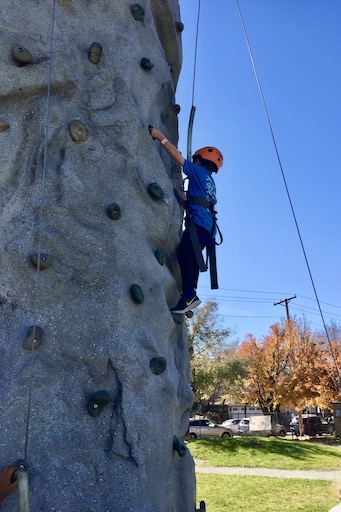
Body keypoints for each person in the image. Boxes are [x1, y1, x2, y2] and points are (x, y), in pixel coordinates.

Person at [149, 126, 223, 314]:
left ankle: (189, 295)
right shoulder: (210, 183)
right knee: (192, 257)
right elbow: (196, 201)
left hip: (198, 224)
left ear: (199, 161)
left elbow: (177, 157)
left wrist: (160, 137)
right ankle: (192, 294)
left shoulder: (197, 172)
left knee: (184, 253)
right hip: (209, 229)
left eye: (194, 160)